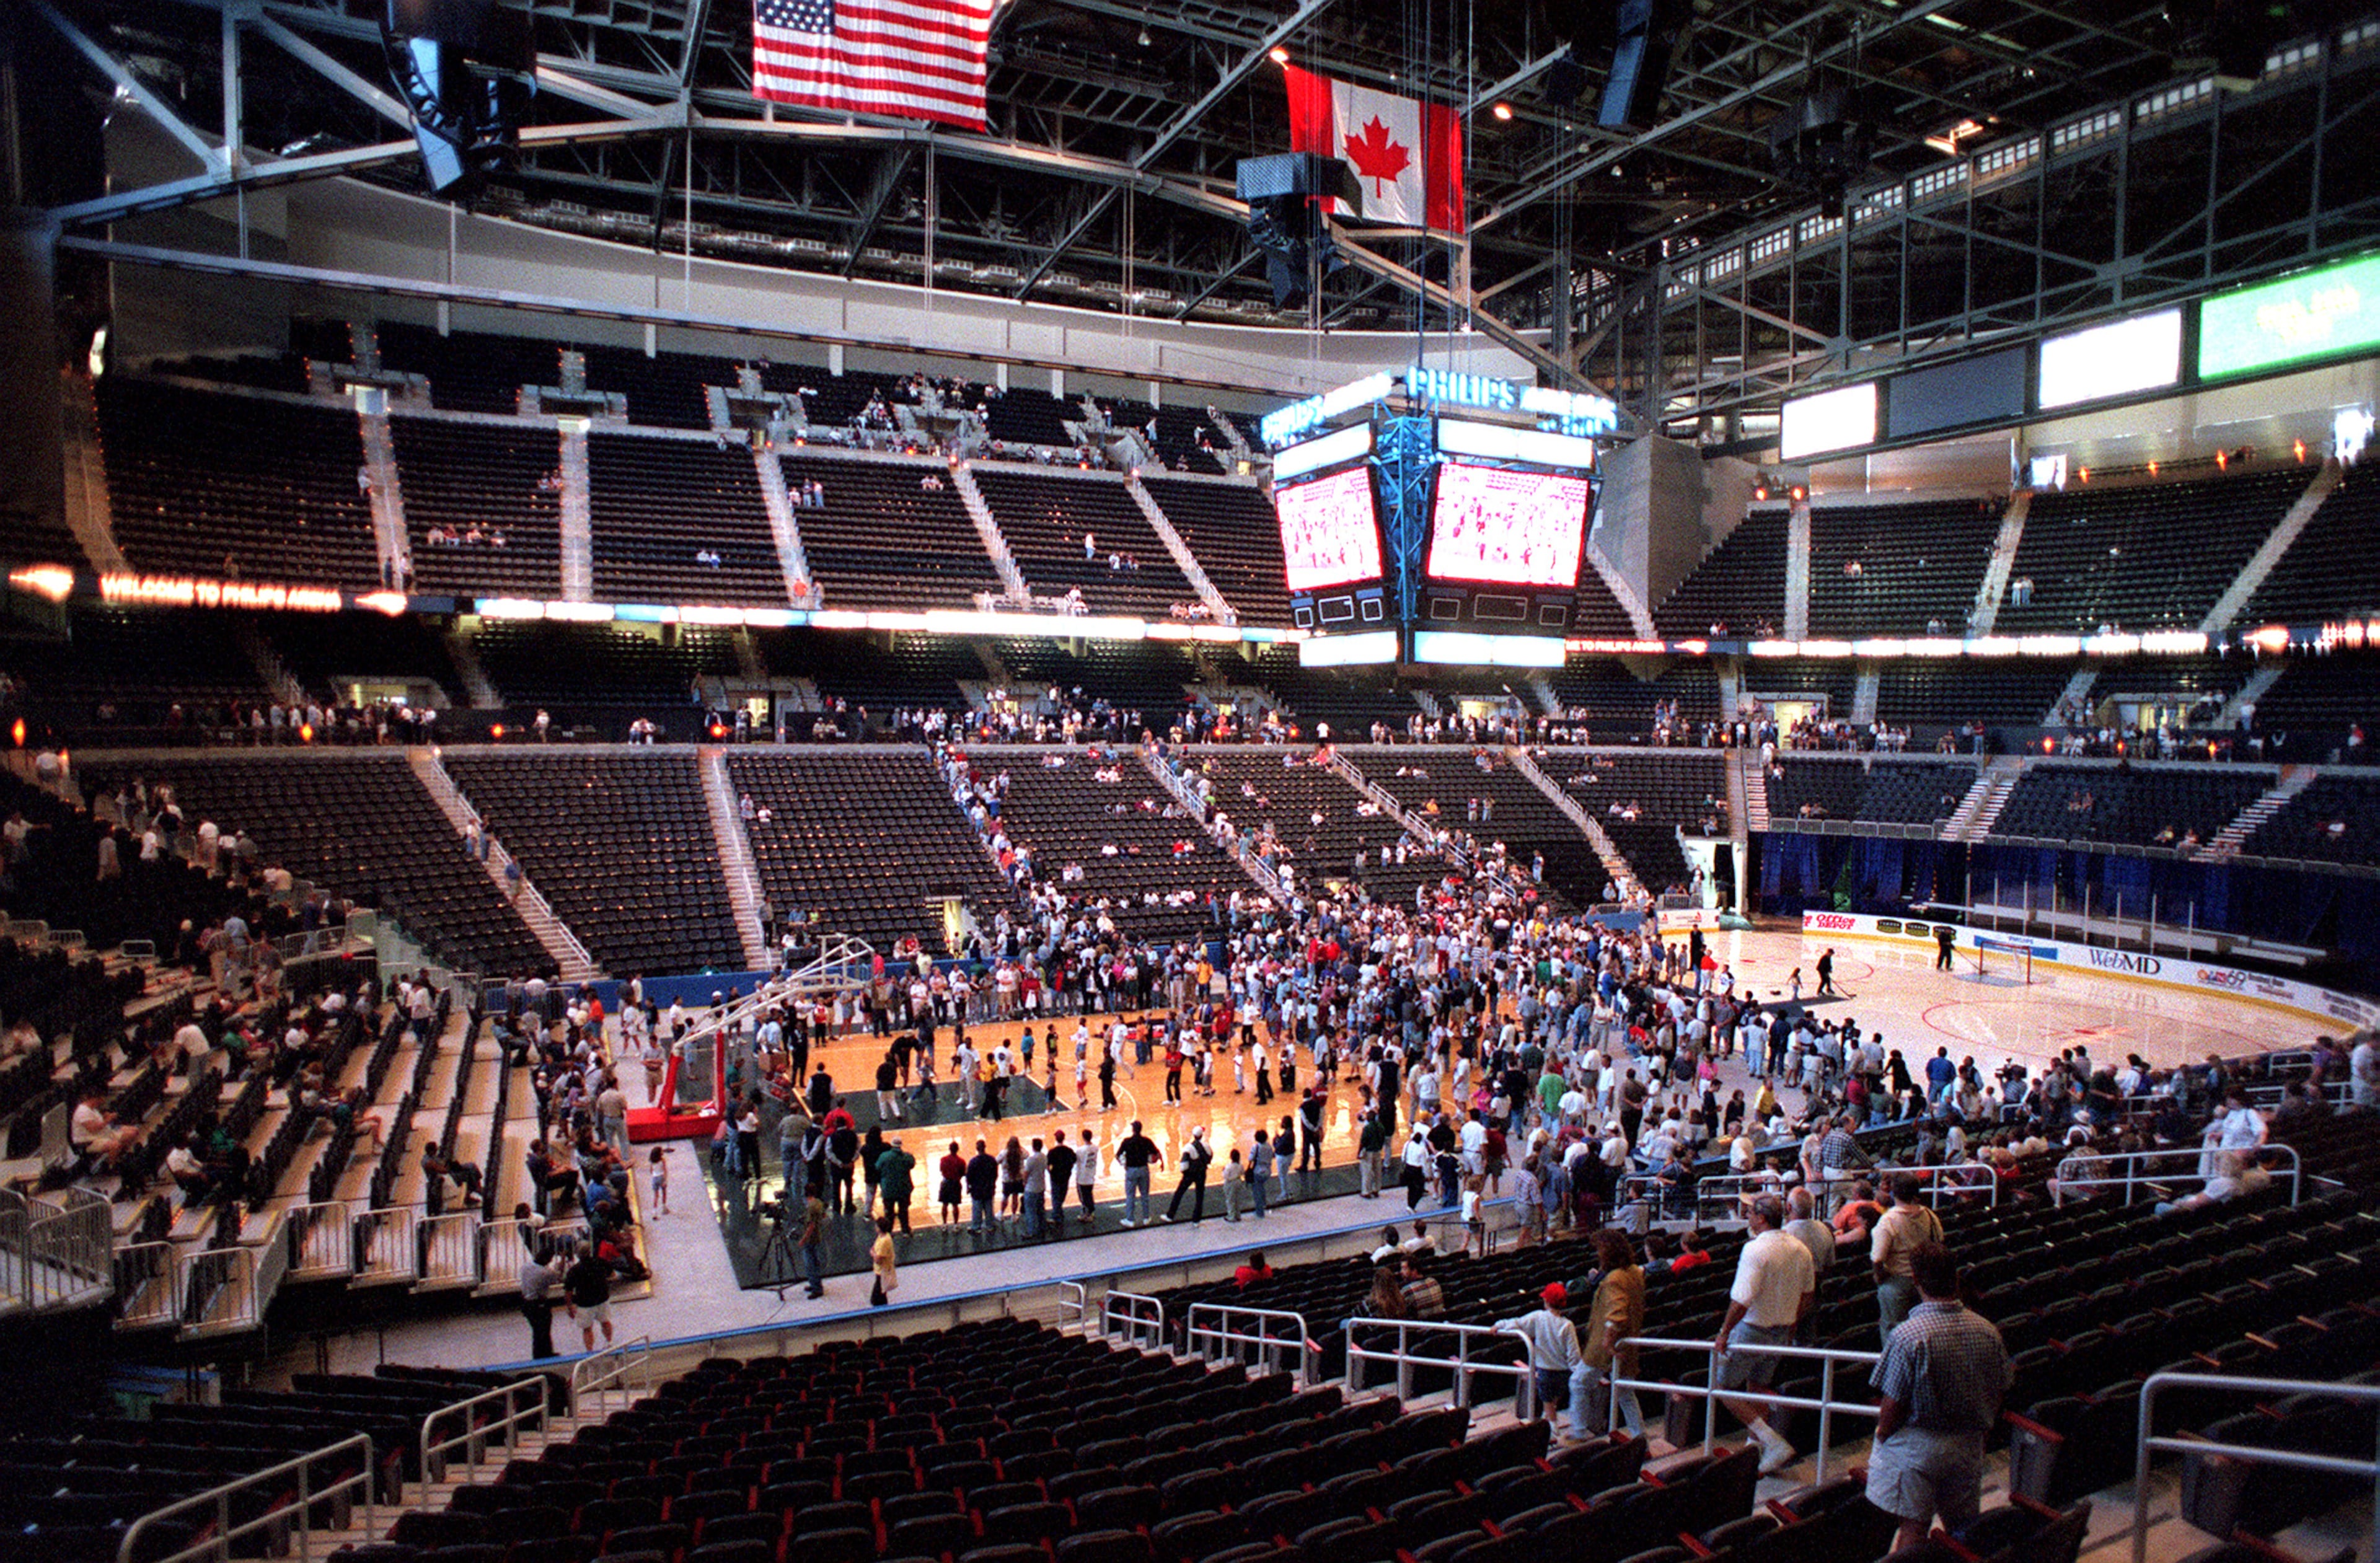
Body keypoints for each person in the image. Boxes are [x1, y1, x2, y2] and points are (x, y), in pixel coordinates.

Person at [1865, 1241, 2012, 1551]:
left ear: (1916, 1280)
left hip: (1919, 1448)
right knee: (1964, 1529)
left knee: (1914, 1528)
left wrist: (1882, 1433)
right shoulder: (1987, 1330)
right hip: (1968, 1443)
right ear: (1955, 1278)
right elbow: (2000, 1388)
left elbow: (1894, 1401)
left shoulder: (1907, 1335)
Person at [1714, 1194, 1816, 1474]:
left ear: (1760, 1218)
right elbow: (1808, 1295)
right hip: (1782, 1330)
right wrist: (1792, 1321)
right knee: (1757, 1387)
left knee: (1721, 1387)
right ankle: (1755, 1447)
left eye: (1749, 1213)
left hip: (1753, 1329)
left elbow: (1742, 1300)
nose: (1747, 1216)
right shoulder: (1800, 1249)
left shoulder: (1755, 1250)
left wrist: (1724, 1332)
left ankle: (1772, 1442)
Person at [1579, 1228, 1647, 1438]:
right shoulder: (1635, 1271)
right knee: (1625, 1393)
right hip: (1628, 1342)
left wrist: (1608, 1343)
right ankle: (1640, 1438)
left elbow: (1617, 1314)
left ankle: (1579, 1431)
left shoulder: (1614, 1279)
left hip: (1608, 1346)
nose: (1598, 1254)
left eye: (1600, 1250)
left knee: (1578, 1383)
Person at [1496, 1282, 1584, 1436]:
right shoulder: (1568, 1325)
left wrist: (1500, 1325)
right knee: (1553, 1400)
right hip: (1564, 1372)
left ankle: (1552, 1428)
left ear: (1546, 1301)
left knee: (1547, 1401)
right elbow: (1574, 1353)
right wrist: (1576, 1370)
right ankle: (1549, 1421)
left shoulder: (1538, 1317)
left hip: (1545, 1370)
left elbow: (1518, 1323)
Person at [1871, 1173, 1945, 1344]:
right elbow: (1940, 1241)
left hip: (1897, 1283)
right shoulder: (1929, 1215)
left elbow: (1877, 1258)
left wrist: (1879, 1276)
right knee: (1924, 1327)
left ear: (1893, 1193)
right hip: (1925, 1280)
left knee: (1894, 1331)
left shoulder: (1888, 1220)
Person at [563, 1237, 616, 1352]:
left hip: (585, 1304)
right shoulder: (601, 1262)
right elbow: (613, 1275)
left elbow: (568, 1290)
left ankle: (590, 1351)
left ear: (578, 1254)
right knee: (605, 1322)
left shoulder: (574, 1270)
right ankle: (609, 1342)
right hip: (602, 1298)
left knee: (587, 1329)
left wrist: (569, 1306)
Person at [519, 1238, 563, 1360]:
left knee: (537, 1331)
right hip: (539, 1303)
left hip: (526, 1302)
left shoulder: (526, 1267)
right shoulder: (545, 1273)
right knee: (544, 1329)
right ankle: (543, 1354)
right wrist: (563, 1260)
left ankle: (541, 1353)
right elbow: (559, 1277)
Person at [1117, 1119, 1162, 1226]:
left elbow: (1118, 1155)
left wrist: (1123, 1164)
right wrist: (1158, 1161)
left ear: (1133, 1130)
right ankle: (1146, 1218)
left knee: (1130, 1196)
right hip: (1143, 1169)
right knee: (1145, 1195)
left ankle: (1130, 1220)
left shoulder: (1127, 1142)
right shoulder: (1146, 1141)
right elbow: (1156, 1153)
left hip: (1131, 1170)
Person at [1167, 1125, 1213, 1223]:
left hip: (1190, 1175)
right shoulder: (1206, 1146)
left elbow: (1183, 1165)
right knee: (1200, 1196)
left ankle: (1171, 1215)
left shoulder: (1188, 1148)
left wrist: (1186, 1174)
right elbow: (1210, 1157)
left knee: (1179, 1193)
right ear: (1201, 1135)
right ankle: (1196, 1220)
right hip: (1202, 1173)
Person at [876, 1136, 916, 1235]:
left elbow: (877, 1167)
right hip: (904, 1188)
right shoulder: (907, 1157)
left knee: (889, 1212)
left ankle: (888, 1232)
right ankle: (905, 1230)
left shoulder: (884, 1156)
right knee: (904, 1211)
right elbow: (912, 1164)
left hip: (888, 1189)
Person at [796, 1186, 827, 1299]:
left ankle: (817, 1289)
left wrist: (803, 1239)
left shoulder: (811, 1207)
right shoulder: (819, 1203)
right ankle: (815, 1284)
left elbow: (811, 1226)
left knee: (810, 1264)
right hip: (818, 1237)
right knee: (815, 1263)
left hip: (811, 1240)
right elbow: (824, 1215)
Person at [869, 1213, 898, 1306]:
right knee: (881, 1293)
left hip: (883, 1271)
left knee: (877, 1296)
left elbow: (878, 1259)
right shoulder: (881, 1236)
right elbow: (874, 1247)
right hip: (880, 1270)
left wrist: (873, 1254)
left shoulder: (885, 1241)